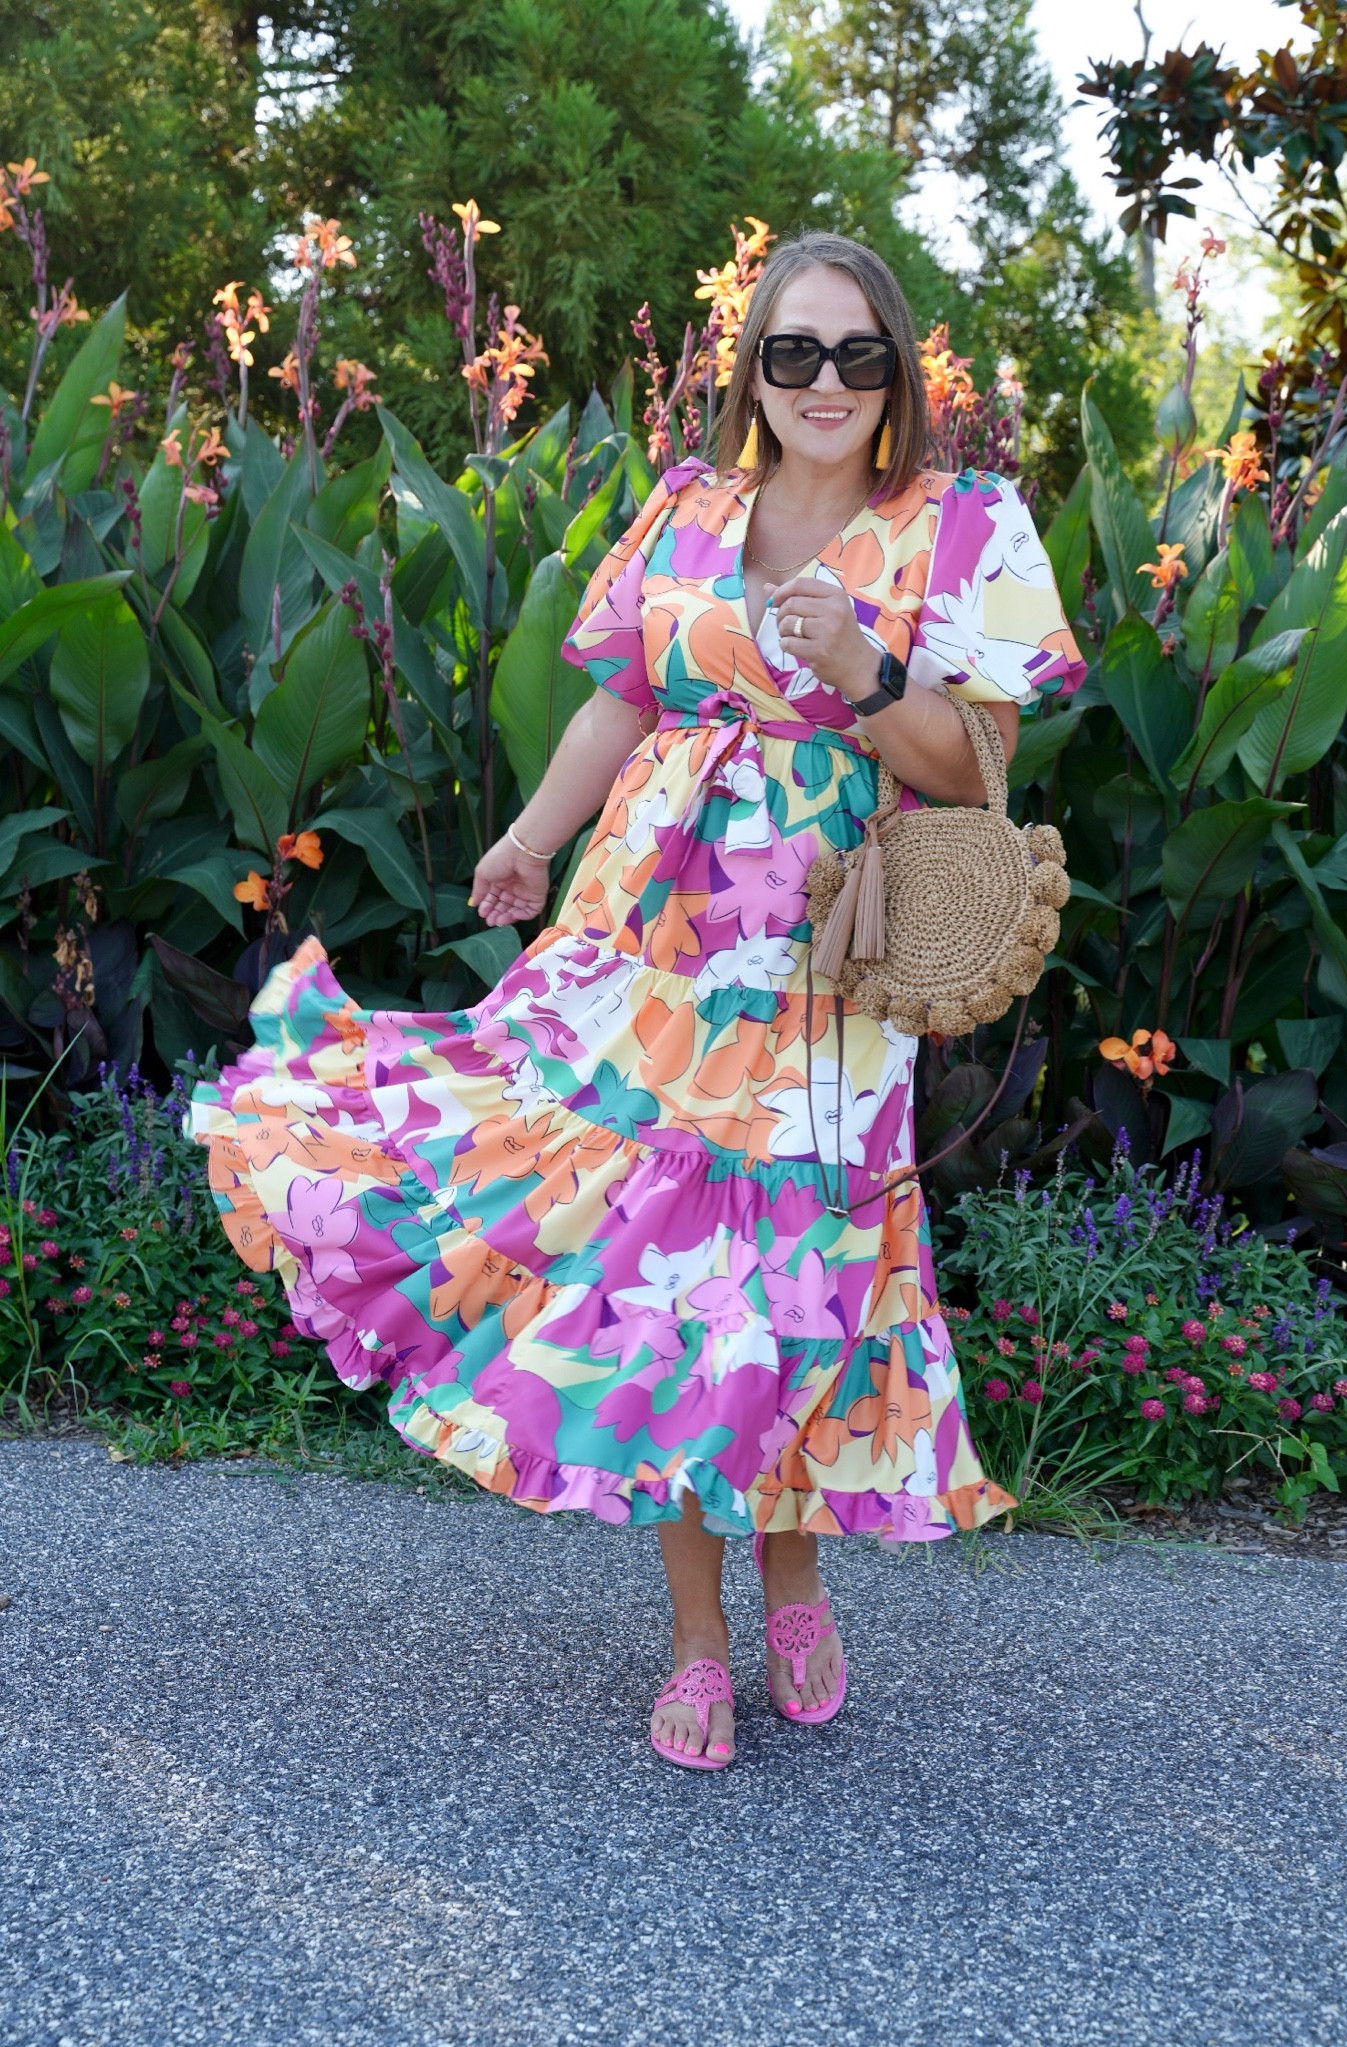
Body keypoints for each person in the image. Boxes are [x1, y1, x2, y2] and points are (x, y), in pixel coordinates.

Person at [194, 230, 1084, 1772]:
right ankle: (696, 1640)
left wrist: (868, 676)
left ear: (896, 375)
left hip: (824, 964)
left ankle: (796, 1587)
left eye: (854, 354)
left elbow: (978, 770)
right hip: (644, 948)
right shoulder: (688, 509)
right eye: (790, 352)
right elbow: (621, 689)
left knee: (797, 1283)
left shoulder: (961, 529)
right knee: (664, 1286)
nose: (821, 382)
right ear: (751, 367)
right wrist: (529, 840)